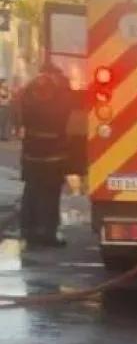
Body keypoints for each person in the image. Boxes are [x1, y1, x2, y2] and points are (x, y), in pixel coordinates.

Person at [19, 64, 73, 249]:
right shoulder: (59, 94)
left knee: (31, 191)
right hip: (53, 155)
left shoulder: (28, 93)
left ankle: (28, 230)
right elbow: (68, 107)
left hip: (31, 153)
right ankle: (48, 233)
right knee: (50, 195)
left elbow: (20, 110)